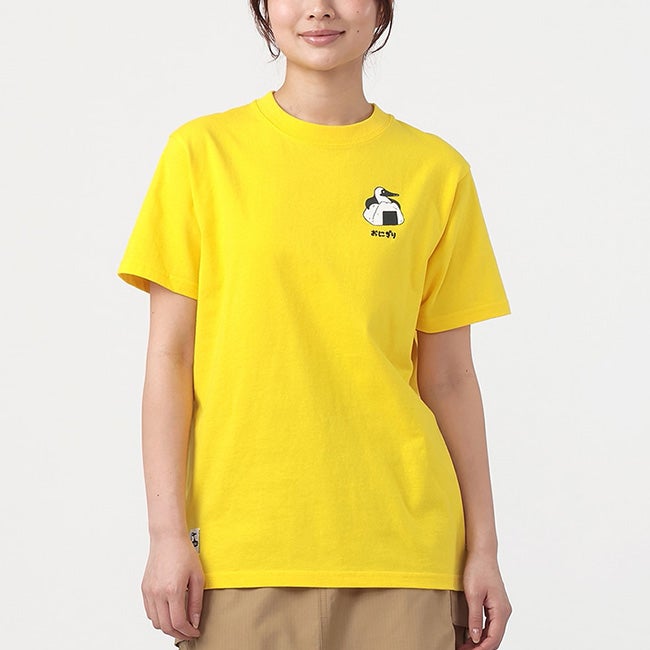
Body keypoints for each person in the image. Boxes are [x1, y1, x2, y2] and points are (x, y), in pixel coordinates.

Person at [117, 1, 513, 648]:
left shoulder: (435, 171)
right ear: (264, 9)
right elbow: (170, 357)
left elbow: (450, 380)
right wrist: (166, 535)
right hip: (240, 553)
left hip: (406, 551)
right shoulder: (201, 155)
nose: (320, 8)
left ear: (381, 8)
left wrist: (484, 549)